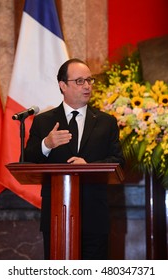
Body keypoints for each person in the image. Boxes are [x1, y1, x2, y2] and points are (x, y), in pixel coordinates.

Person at [24, 58, 125, 260]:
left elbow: (119, 162)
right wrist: (47, 145)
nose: (87, 86)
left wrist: (89, 167)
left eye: (89, 80)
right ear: (63, 85)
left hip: (94, 216)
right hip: (56, 216)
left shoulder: (106, 122)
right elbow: (28, 160)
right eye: (80, 81)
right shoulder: (43, 121)